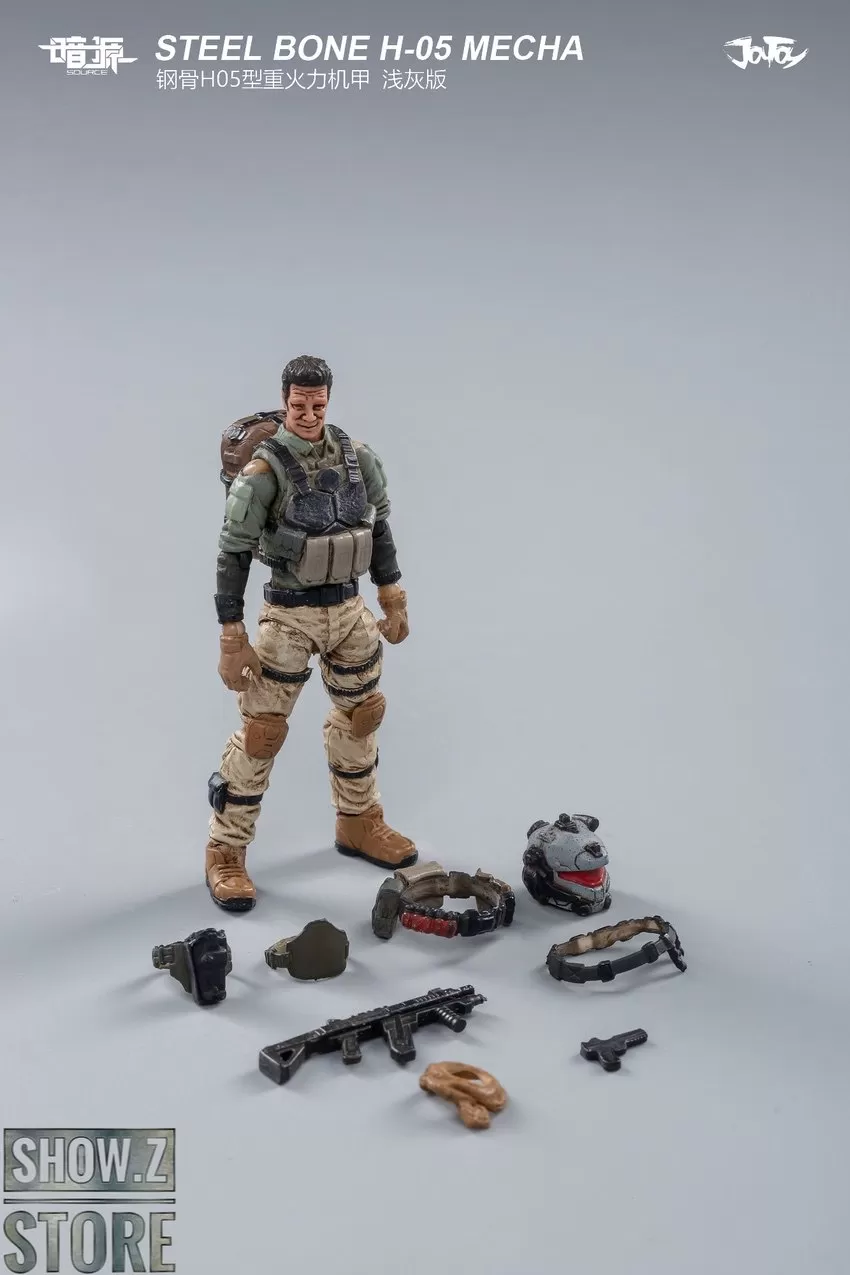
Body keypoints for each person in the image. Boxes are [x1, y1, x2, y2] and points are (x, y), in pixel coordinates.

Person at [205, 354, 416, 911]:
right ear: (285, 401)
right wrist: (232, 636)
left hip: (349, 608)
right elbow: (233, 553)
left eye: (317, 404)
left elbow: (380, 527)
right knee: (262, 733)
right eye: (298, 404)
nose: (307, 413)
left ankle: (359, 819)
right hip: (288, 615)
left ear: (328, 401)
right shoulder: (263, 473)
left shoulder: (357, 458)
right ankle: (226, 849)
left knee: (362, 715)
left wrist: (392, 596)